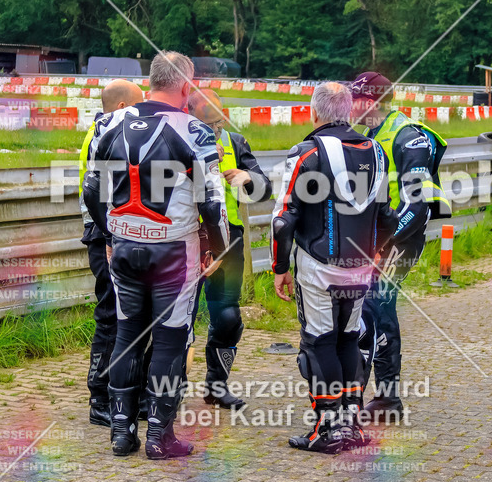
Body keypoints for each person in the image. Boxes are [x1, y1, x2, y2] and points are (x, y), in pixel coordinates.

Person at [84, 52, 228, 459]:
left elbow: (91, 190)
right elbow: (212, 203)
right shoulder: (196, 131)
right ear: (186, 85)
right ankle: (159, 437)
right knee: (169, 339)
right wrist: (217, 250)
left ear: (151, 80)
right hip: (174, 251)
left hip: (124, 245)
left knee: (126, 333)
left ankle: (122, 433)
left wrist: (108, 232)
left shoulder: (107, 124)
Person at [271, 82, 398, 453]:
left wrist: (279, 266)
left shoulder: (306, 152)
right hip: (360, 267)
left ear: (314, 112)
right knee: (347, 338)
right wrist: (376, 252)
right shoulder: (376, 151)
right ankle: (350, 425)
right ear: (349, 111)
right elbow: (387, 216)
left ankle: (329, 429)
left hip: (317, 266)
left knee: (319, 341)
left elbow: (282, 220)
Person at [350, 71, 450, 418]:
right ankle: (379, 397)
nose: (349, 106)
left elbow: (418, 205)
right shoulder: (371, 134)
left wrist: (384, 243)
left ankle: (386, 398)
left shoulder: (408, 136)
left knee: (377, 306)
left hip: (403, 237)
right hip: (378, 238)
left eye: (354, 99)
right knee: (368, 309)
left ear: (369, 101)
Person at [188, 91, 272, 410]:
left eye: (219, 123)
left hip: (228, 240)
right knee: (175, 318)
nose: (216, 130)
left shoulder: (235, 142)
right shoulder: (173, 139)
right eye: (208, 125)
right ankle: (161, 391)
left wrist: (248, 178)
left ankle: (216, 386)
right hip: (187, 240)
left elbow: (264, 189)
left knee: (227, 317)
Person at [79, 79, 143, 427]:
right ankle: (99, 398)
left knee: (129, 317)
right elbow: (96, 192)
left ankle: (128, 394)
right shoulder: (104, 134)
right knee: (110, 317)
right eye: (138, 104)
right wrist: (108, 235)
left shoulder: (109, 132)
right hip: (104, 233)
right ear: (122, 108)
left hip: (114, 232)